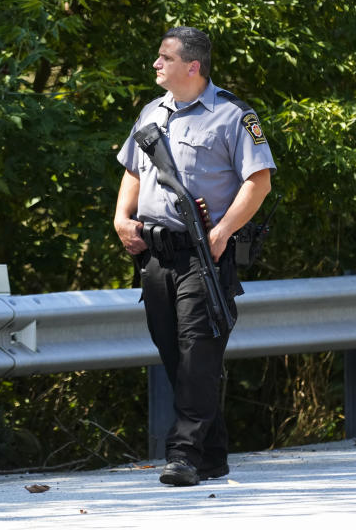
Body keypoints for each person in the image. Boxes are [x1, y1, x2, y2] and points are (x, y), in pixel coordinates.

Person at [114, 26, 276, 486]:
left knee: (197, 354)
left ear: (193, 65)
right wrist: (121, 219)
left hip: (205, 256)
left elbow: (259, 181)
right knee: (175, 354)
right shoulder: (151, 113)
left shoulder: (232, 115)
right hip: (155, 257)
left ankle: (183, 454)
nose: (155, 64)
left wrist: (224, 232)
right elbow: (132, 170)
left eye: (164, 57)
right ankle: (213, 455)